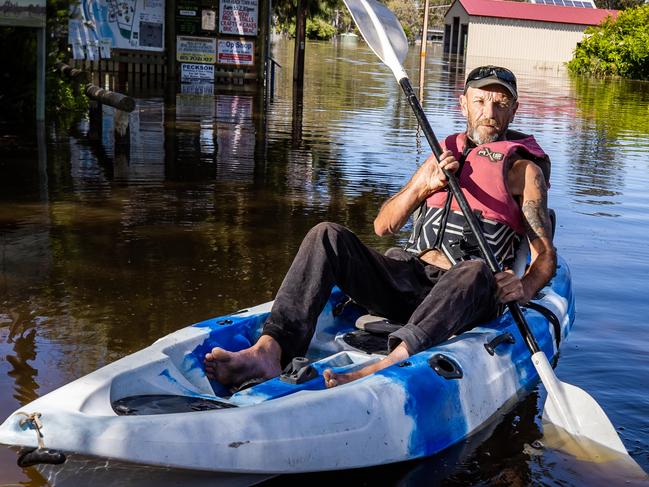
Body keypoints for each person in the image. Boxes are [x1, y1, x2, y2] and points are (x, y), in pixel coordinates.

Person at [204, 65, 555, 389]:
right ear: (463, 104)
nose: (489, 112)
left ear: (514, 109)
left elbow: (544, 258)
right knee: (326, 235)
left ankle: (387, 364)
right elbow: (384, 224)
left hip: (468, 293)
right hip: (411, 280)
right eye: (480, 101)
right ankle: (269, 350)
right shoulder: (441, 155)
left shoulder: (523, 173)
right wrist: (423, 186)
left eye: (500, 102)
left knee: (475, 269)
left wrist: (521, 289)